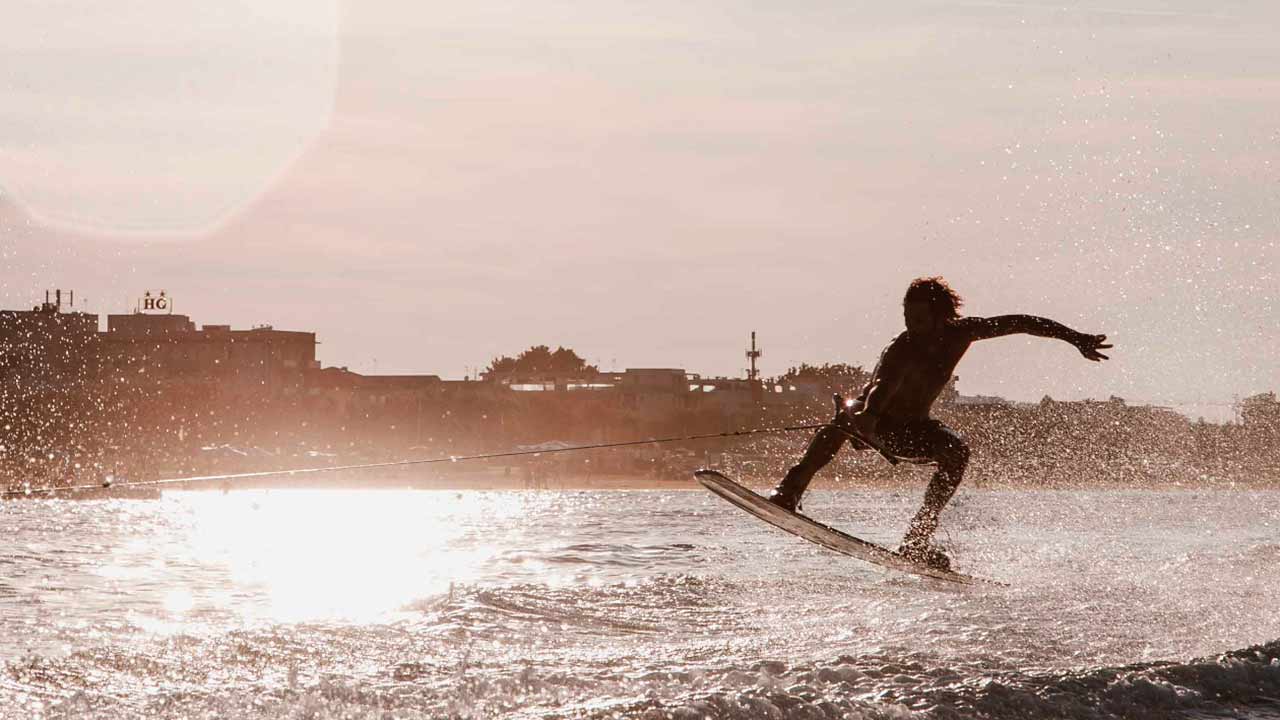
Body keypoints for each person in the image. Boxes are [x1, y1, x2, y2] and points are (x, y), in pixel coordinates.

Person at [768, 277, 1111, 570]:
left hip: (914, 430)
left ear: (941, 315)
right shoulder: (901, 348)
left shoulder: (963, 333)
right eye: (906, 315)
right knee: (842, 418)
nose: (910, 323)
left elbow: (1021, 322)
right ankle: (789, 490)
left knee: (958, 453)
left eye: (918, 316)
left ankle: (917, 540)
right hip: (876, 421)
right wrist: (868, 418)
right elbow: (881, 386)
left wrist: (1074, 338)